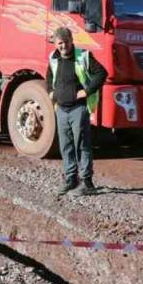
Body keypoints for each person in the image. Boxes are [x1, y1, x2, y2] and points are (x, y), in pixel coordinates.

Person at [47, 27, 107, 195]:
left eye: (66, 42)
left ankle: (87, 183)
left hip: (78, 108)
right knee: (65, 146)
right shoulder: (53, 58)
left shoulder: (83, 56)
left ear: (71, 41)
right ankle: (70, 179)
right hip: (61, 109)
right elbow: (49, 77)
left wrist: (87, 91)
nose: (63, 46)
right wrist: (51, 93)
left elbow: (102, 73)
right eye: (60, 43)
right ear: (56, 44)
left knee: (82, 145)